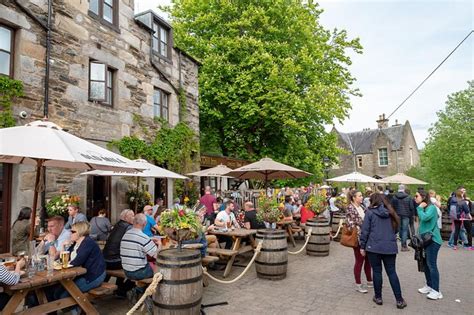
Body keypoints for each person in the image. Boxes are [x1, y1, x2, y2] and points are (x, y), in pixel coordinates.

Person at [359, 193, 407, 309]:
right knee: (392, 272)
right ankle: (399, 300)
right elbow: (396, 228)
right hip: (389, 247)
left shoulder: (369, 213)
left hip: (374, 247)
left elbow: (365, 231)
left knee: (377, 272)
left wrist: (362, 246)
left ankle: (378, 297)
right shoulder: (391, 213)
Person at [53, 221, 106, 313]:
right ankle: (78, 309)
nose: (70, 233)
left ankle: (79, 311)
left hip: (93, 276)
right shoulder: (75, 244)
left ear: (80, 232)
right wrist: (62, 246)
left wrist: (63, 263)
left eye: (73, 232)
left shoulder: (88, 243)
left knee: (65, 295)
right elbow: (64, 261)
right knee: (57, 291)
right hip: (80, 275)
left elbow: (76, 262)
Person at [414, 190, 443, 300]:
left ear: (423, 197)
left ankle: (436, 290)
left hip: (433, 240)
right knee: (425, 263)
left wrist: (420, 208)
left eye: (416, 196)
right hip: (425, 241)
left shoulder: (430, 208)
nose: (415, 198)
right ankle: (429, 285)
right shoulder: (427, 208)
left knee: (431, 264)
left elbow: (425, 218)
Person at [103, 209, 135, 298]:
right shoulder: (129, 227)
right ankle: (122, 290)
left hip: (105, 260)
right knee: (136, 267)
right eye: (132, 216)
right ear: (125, 218)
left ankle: (119, 289)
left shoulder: (116, 225)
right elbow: (132, 244)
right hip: (115, 261)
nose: (134, 217)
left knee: (123, 260)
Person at [346, 190, 372, 293]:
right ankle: (358, 284)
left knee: (368, 260)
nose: (362, 197)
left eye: (361, 196)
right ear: (354, 198)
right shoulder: (350, 208)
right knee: (359, 260)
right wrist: (366, 224)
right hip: (357, 238)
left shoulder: (361, 207)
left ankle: (369, 281)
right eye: (360, 196)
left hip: (365, 237)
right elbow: (351, 224)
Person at [120, 213, 161, 281]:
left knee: (149, 263)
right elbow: (157, 256)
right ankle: (139, 290)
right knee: (160, 269)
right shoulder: (143, 237)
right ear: (145, 224)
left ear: (133, 222)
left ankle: (132, 288)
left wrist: (149, 240)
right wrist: (160, 244)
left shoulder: (126, 234)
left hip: (126, 271)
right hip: (139, 272)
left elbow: (136, 242)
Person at [391, 184, 415, 251]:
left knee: (400, 229)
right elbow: (411, 207)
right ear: (404, 189)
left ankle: (401, 242)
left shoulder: (394, 197)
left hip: (397, 215)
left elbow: (392, 206)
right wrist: (412, 215)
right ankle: (404, 245)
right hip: (406, 215)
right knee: (404, 230)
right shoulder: (409, 197)